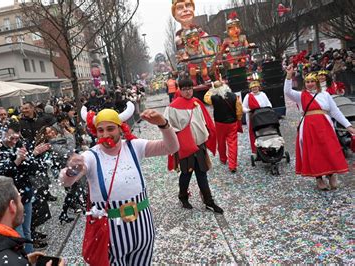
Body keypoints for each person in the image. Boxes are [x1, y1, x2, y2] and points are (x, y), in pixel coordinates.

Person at [59, 102, 179, 265]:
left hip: (143, 226)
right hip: (111, 232)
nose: (105, 134)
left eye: (110, 128)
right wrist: (72, 170)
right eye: (100, 130)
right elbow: (66, 181)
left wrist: (163, 124)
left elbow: (171, 147)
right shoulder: (91, 156)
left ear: (120, 128)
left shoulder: (134, 146)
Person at [284, 65, 355, 190]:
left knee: (329, 150)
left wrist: (348, 125)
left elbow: (335, 111)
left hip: (325, 126)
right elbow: (287, 92)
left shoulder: (325, 95)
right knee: (314, 152)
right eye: (307, 82)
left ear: (316, 82)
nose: (310, 84)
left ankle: (332, 174)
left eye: (312, 81)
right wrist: (289, 76)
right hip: (309, 128)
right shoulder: (300, 96)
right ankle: (319, 178)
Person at [164, 78, 223, 213]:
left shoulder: (196, 103)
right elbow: (167, 127)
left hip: (199, 145)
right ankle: (183, 197)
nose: (188, 92)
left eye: (190, 88)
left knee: (202, 173)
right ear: (180, 90)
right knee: (186, 173)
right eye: (184, 89)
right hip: (185, 146)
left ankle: (209, 201)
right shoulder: (172, 107)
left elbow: (204, 121)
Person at [204, 81, 243, 173]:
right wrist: (238, 119)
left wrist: (211, 89)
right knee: (232, 143)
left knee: (221, 142)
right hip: (232, 123)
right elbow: (239, 110)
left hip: (219, 123)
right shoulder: (234, 96)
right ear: (225, 86)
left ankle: (223, 158)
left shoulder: (213, 98)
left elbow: (206, 98)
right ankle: (232, 165)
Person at [242, 80, 272, 154]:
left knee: (265, 131)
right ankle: (257, 149)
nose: (254, 88)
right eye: (253, 87)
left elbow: (269, 104)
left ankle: (268, 146)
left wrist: (267, 110)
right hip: (253, 117)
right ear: (250, 89)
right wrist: (249, 110)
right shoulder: (248, 96)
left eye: (256, 87)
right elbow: (243, 107)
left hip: (264, 116)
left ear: (259, 87)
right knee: (255, 133)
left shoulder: (263, 94)